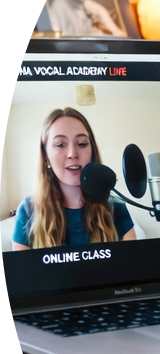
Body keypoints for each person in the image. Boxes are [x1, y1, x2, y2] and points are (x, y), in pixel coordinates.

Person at [12, 107, 136, 250]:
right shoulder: (28, 211)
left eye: (82, 143)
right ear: (46, 157)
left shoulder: (115, 207)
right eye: (60, 145)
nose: (72, 153)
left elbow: (132, 261)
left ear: (92, 152)